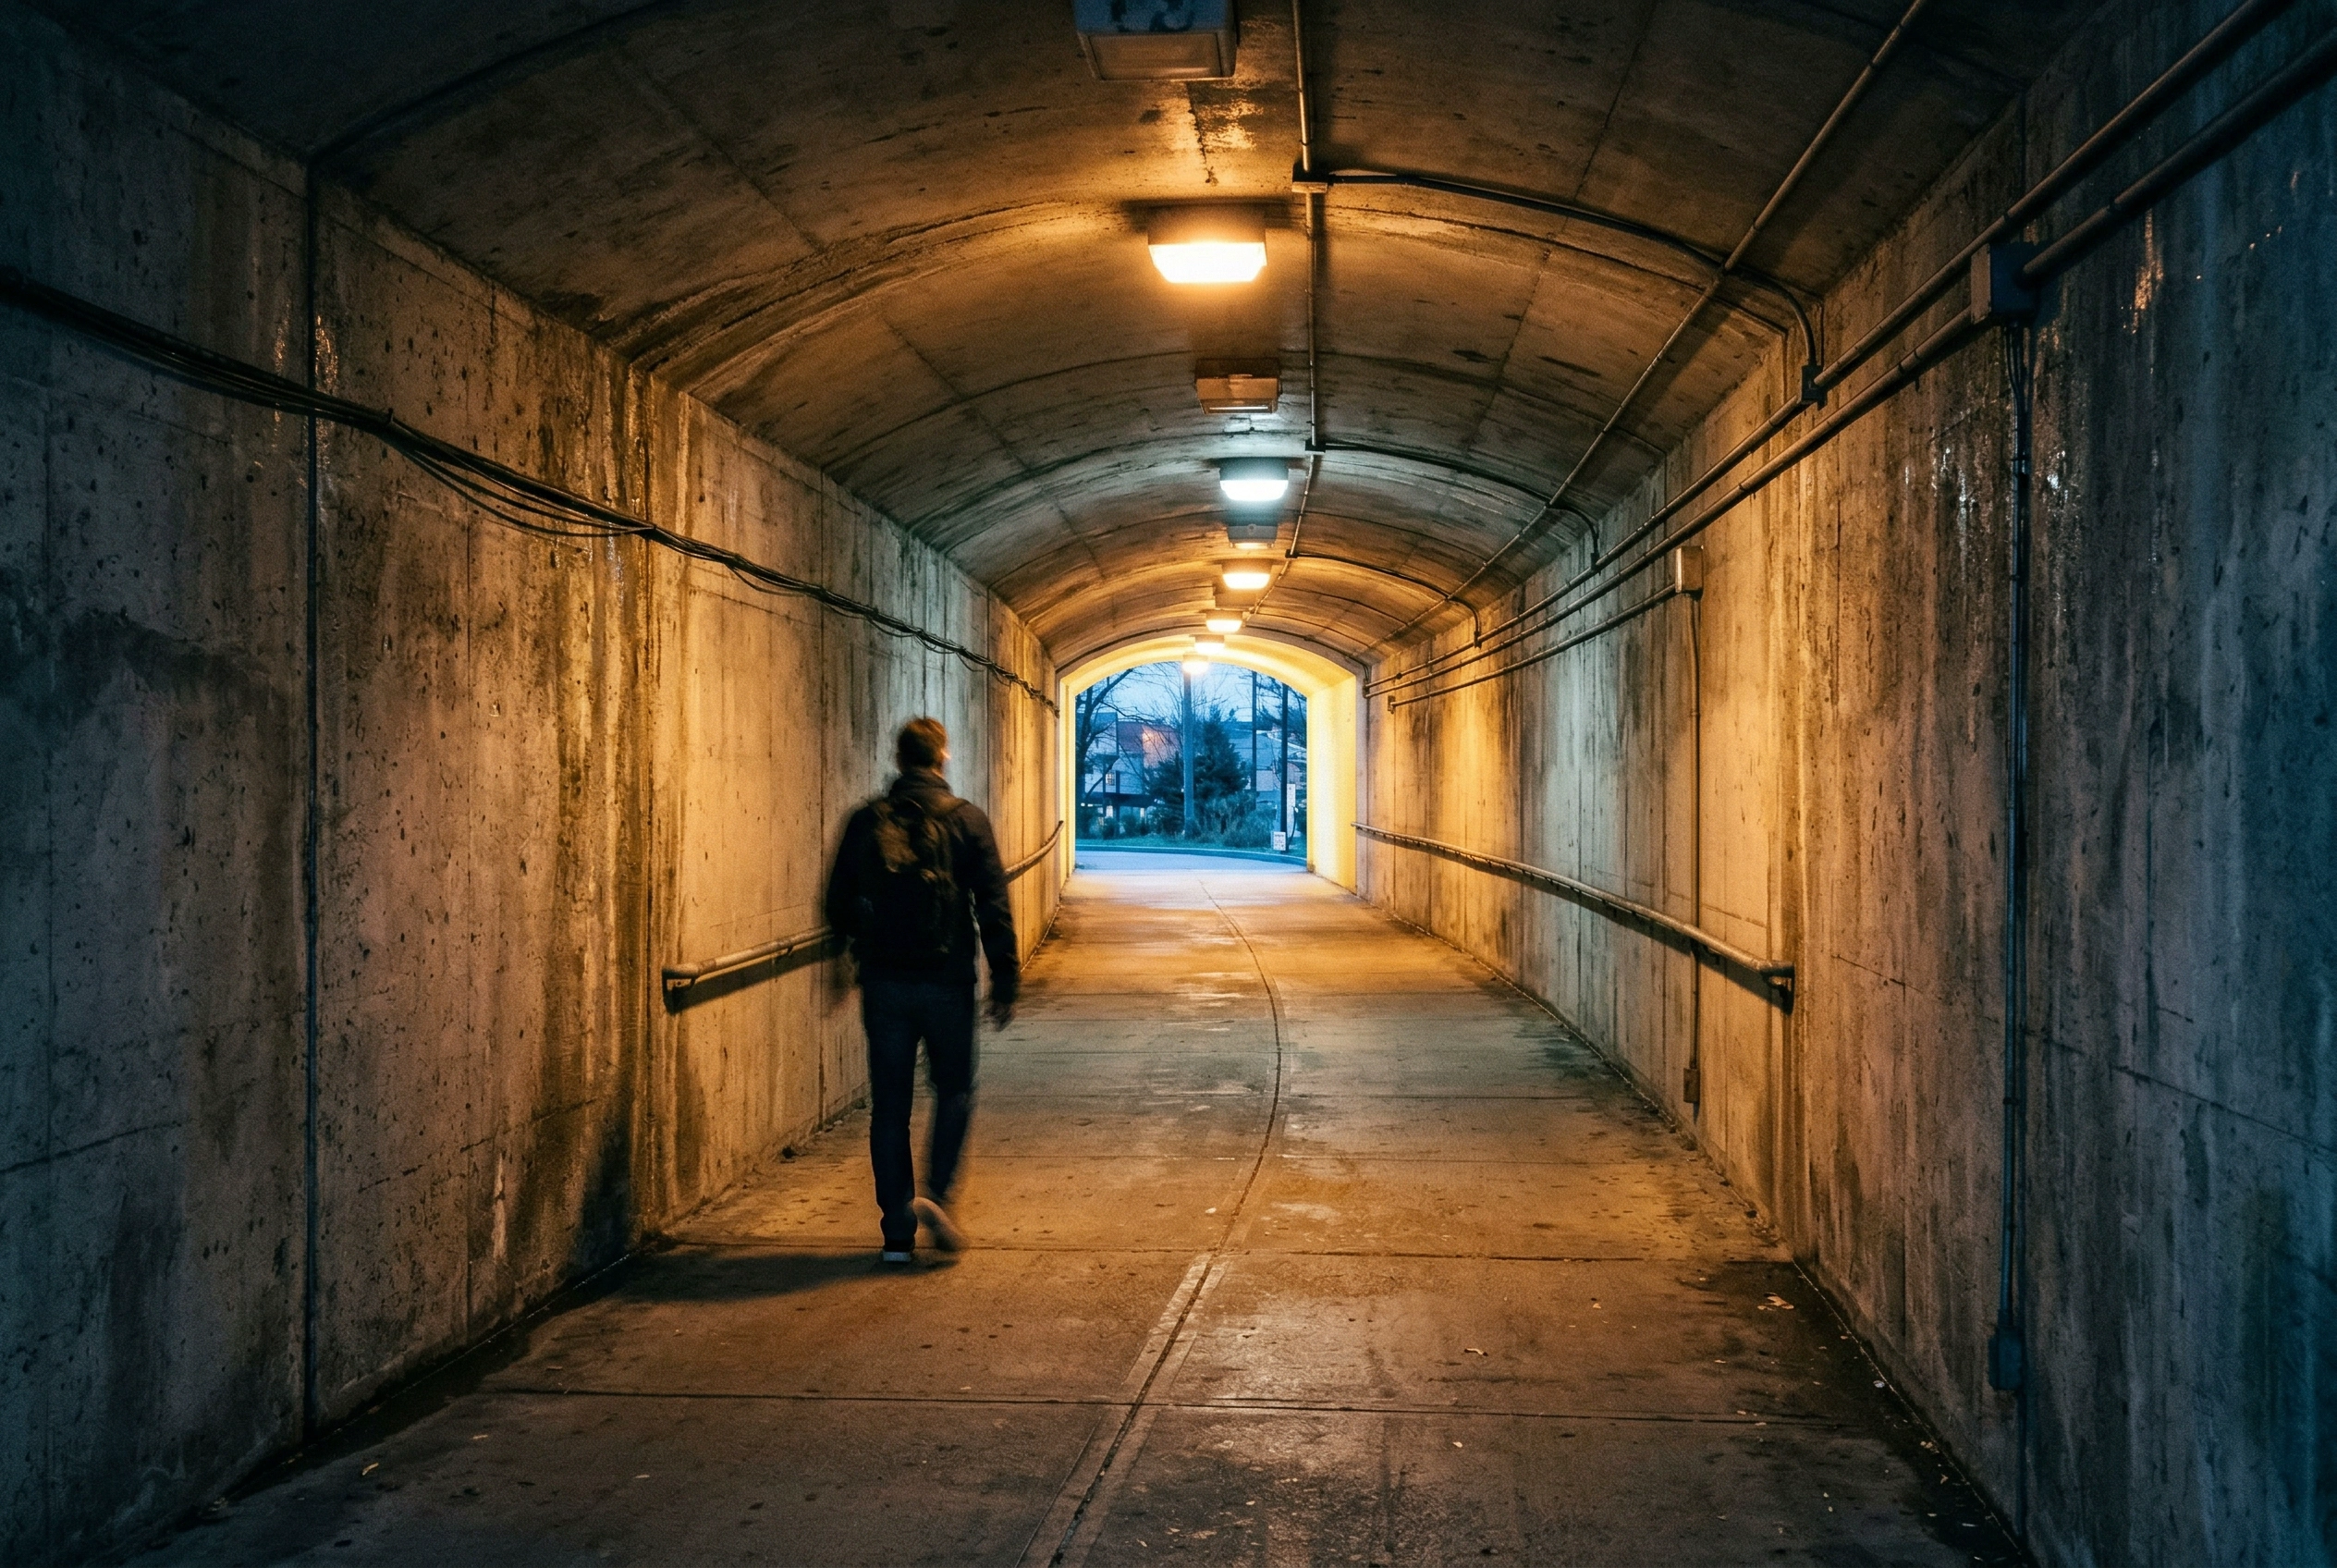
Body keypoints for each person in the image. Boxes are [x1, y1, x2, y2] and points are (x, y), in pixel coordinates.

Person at [825, 717, 1019, 1264]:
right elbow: (993, 905)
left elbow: (837, 902)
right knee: (953, 1090)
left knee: (889, 1107)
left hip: (885, 985)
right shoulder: (967, 821)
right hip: (947, 982)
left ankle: (895, 1231)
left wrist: (851, 952)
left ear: (899, 758)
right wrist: (1004, 978)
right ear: (943, 757)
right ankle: (936, 1194)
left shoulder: (866, 821)